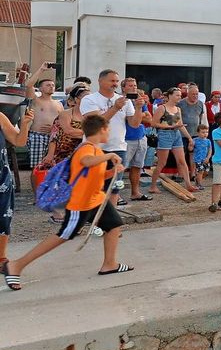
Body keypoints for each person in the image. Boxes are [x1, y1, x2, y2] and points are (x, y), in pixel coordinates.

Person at [3, 115, 132, 290]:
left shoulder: (97, 151)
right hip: (81, 203)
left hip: (96, 200)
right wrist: (109, 156)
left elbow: (95, 176)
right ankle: (16, 265)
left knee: (114, 226)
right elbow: (86, 162)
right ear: (101, 130)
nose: (109, 132)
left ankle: (110, 264)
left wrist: (113, 171)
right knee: (63, 236)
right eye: (108, 129)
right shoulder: (86, 149)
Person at [80, 69, 144, 206]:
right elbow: (95, 124)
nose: (115, 84)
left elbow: (134, 124)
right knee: (93, 185)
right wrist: (114, 108)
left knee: (114, 187)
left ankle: (110, 218)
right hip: (95, 149)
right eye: (111, 81)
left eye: (116, 81)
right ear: (100, 81)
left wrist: (138, 108)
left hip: (118, 148)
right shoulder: (89, 99)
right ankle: (90, 216)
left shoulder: (124, 100)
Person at [0, 103, 34, 270]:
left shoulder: (0, 117)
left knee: (3, 217)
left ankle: (1, 258)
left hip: (1, 176)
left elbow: (19, 141)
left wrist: (25, 124)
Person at [150, 87, 197, 193]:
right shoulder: (162, 108)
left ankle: (188, 184)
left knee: (182, 161)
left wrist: (189, 138)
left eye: (180, 95)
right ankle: (153, 186)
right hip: (164, 134)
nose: (179, 97)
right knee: (162, 162)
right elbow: (153, 123)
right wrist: (169, 126)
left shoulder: (178, 109)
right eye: (177, 95)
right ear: (170, 96)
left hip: (176, 134)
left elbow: (180, 125)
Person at [23, 63, 62, 169]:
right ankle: (35, 185)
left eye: (53, 85)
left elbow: (61, 122)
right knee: (37, 167)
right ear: (40, 89)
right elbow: (28, 85)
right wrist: (41, 69)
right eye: (48, 85)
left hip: (53, 138)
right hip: (37, 136)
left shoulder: (59, 104)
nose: (51, 87)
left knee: (53, 166)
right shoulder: (36, 100)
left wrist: (54, 130)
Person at [120, 77, 151, 201]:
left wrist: (136, 115)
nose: (134, 88)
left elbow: (149, 118)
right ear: (123, 88)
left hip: (140, 136)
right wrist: (136, 116)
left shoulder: (139, 100)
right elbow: (128, 119)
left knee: (137, 166)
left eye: (135, 85)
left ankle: (135, 192)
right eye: (130, 85)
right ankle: (116, 195)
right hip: (126, 138)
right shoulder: (121, 101)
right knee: (121, 169)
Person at [179, 84, 208, 180]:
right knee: (182, 154)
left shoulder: (200, 104)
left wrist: (202, 131)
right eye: (193, 94)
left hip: (195, 133)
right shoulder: (181, 103)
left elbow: (201, 118)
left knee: (194, 154)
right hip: (183, 133)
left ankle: (193, 173)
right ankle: (181, 173)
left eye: (196, 94)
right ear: (188, 94)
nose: (195, 96)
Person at [191, 125, 212, 190]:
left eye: (206, 132)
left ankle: (197, 180)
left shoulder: (208, 141)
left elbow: (210, 150)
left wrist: (208, 158)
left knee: (206, 172)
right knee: (201, 172)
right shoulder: (194, 140)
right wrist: (190, 145)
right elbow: (190, 149)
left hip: (205, 159)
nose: (205, 134)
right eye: (203, 132)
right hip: (198, 160)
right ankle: (199, 184)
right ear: (198, 133)